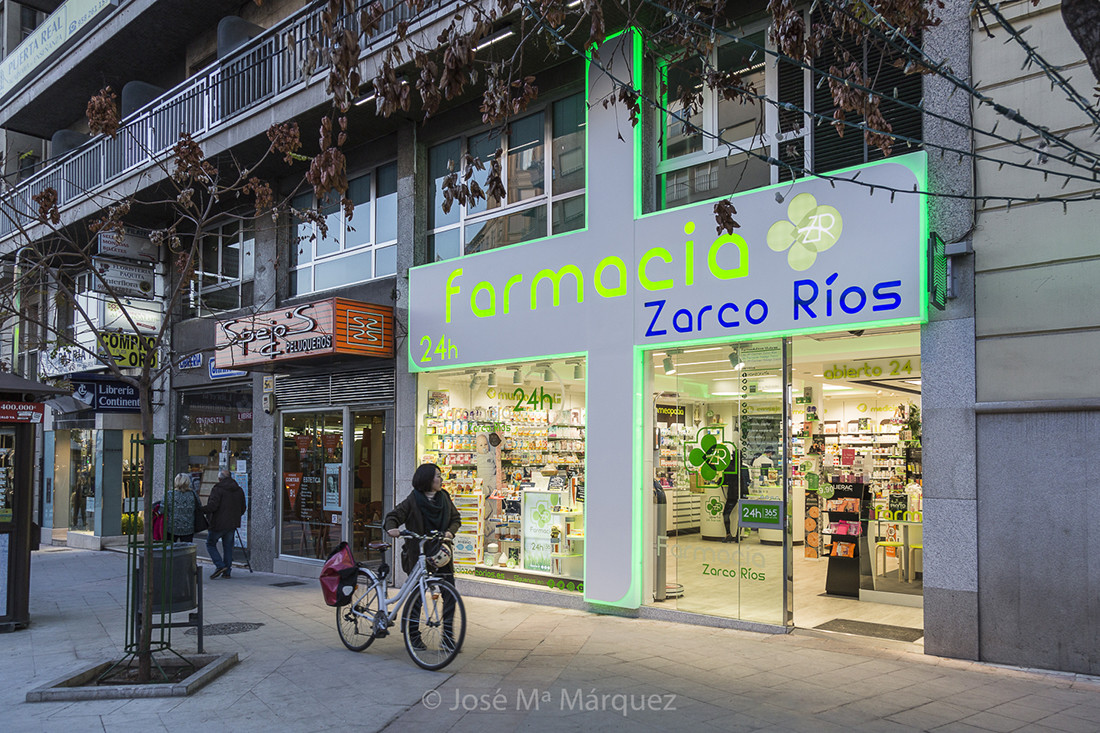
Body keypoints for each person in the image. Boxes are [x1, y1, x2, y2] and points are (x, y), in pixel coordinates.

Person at [383, 463, 461, 649]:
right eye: (436, 475)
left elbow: (455, 519)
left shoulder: (444, 497)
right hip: (418, 553)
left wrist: (450, 532)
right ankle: (414, 636)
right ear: (426, 479)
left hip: (441, 552)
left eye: (440, 475)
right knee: (416, 596)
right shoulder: (414, 500)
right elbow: (394, 515)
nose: (440, 479)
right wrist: (392, 528)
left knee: (449, 594)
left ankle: (448, 637)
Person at [205, 470, 246, 579]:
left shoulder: (217, 489)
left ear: (219, 479)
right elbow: (243, 508)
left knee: (210, 543)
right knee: (228, 547)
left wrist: (201, 510)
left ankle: (220, 565)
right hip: (232, 523)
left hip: (218, 523)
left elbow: (213, 506)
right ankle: (227, 571)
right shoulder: (239, 490)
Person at [165, 473, 199, 542]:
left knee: (170, 549)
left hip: (172, 527)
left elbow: (162, 509)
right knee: (186, 550)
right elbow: (199, 507)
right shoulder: (193, 494)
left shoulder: (170, 494)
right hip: (188, 527)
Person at [723, 460, 750, 543]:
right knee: (742, 514)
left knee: (726, 513)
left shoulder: (728, 467)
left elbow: (725, 480)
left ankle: (728, 534)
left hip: (733, 493)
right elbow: (748, 481)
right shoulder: (745, 468)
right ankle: (738, 534)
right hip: (744, 492)